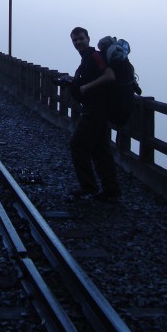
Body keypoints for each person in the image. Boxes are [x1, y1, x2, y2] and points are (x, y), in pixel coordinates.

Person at [62, 26, 121, 201]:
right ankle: (111, 190)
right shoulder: (86, 59)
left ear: (88, 38)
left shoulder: (95, 56)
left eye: (81, 38)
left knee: (77, 145)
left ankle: (88, 187)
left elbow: (110, 76)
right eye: (75, 40)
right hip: (95, 109)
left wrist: (87, 87)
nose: (78, 42)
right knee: (100, 149)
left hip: (96, 109)